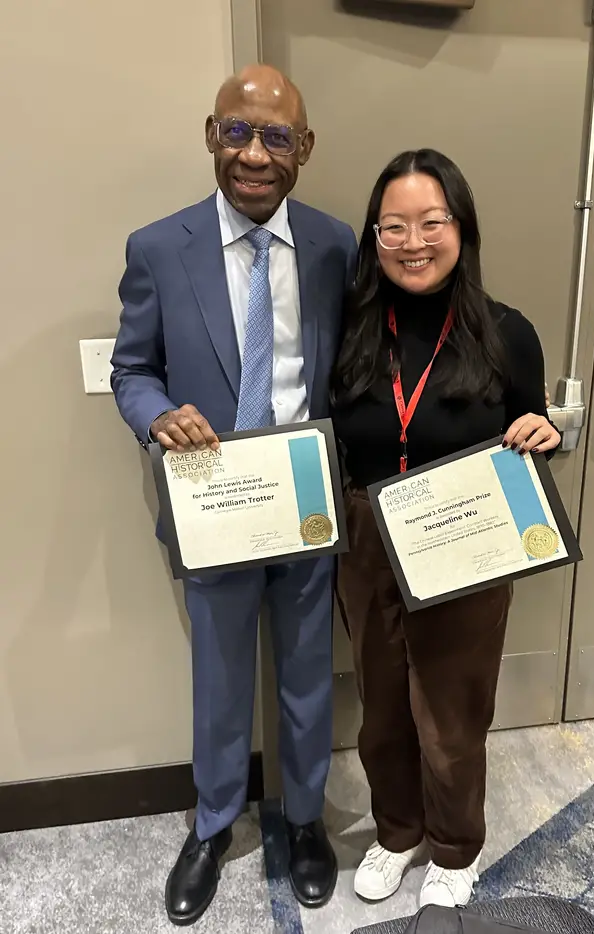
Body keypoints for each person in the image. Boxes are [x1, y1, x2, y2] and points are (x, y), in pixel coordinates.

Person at [111, 64, 356, 925]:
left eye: (276, 136)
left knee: (305, 678)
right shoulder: (158, 247)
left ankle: (304, 821)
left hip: (304, 503)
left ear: (305, 149)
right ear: (210, 135)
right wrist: (156, 416)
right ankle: (214, 826)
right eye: (235, 132)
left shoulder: (336, 246)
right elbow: (130, 368)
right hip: (214, 507)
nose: (254, 154)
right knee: (219, 679)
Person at [331, 149, 561, 909]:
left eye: (431, 222)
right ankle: (399, 832)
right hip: (368, 536)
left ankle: (455, 849)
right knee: (382, 704)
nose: (412, 241)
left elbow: (536, 422)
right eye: (392, 226)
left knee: (452, 712)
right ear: (374, 237)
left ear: (461, 228)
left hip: (464, 535)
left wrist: (543, 430)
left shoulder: (506, 331)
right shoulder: (353, 328)